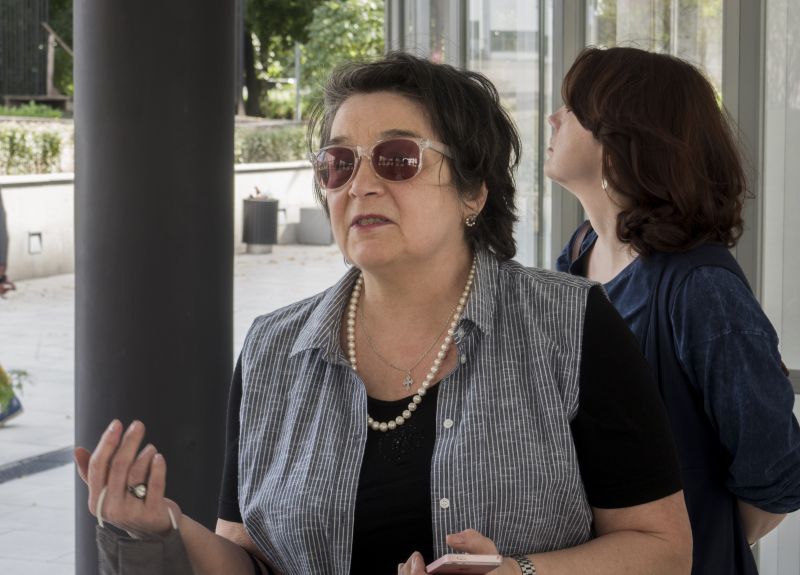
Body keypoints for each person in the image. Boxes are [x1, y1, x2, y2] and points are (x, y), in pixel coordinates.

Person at [76, 52, 693, 575]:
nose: (359, 185)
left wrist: (519, 572)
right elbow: (248, 558)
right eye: (338, 164)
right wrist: (166, 527)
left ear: (473, 191)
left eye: (397, 158)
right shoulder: (272, 349)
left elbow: (663, 548)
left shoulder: (571, 324)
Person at [550, 46, 800, 575]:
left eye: (571, 109)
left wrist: (695, 542)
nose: (553, 118)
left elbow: (774, 475)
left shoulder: (701, 288)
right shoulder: (577, 254)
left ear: (618, 141)